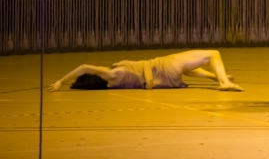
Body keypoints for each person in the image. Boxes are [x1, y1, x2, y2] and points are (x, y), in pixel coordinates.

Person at [48, 50, 243, 92]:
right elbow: (83, 67)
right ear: (95, 76)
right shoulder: (111, 74)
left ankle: (219, 77)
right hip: (164, 65)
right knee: (213, 54)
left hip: (167, 78)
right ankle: (223, 82)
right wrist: (61, 81)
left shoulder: (113, 83)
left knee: (188, 69)